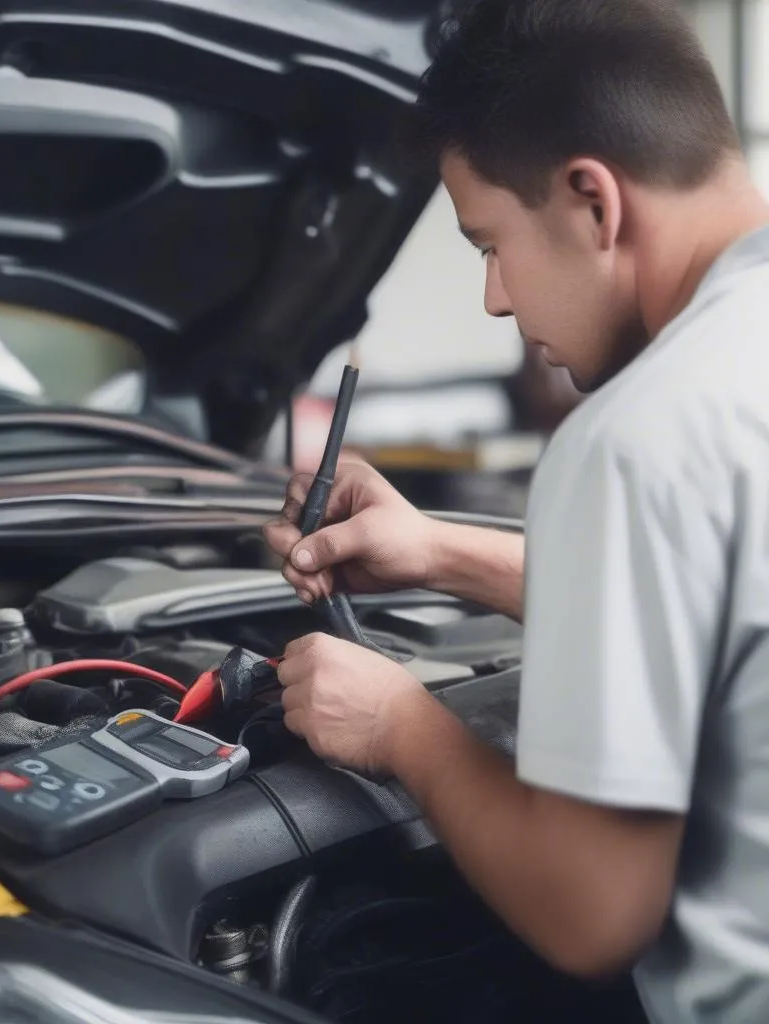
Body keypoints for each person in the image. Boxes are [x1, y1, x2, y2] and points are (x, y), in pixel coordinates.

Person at [261, 2, 769, 1022]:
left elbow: (590, 915)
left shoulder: (641, 430)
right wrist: (440, 551)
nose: (494, 297)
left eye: (488, 242)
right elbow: (728, 613)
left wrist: (402, 723)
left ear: (592, 199)